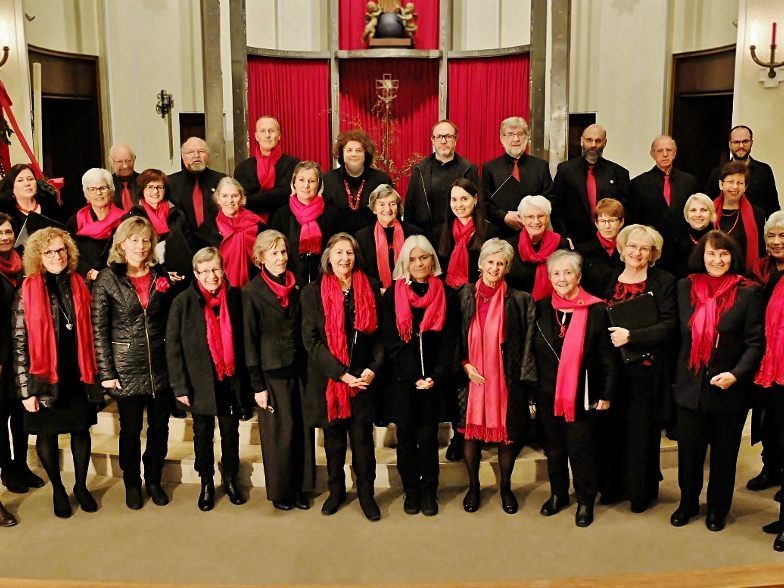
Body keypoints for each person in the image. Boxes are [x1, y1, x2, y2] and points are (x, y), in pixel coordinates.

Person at [670, 230, 763, 532]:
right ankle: (687, 504)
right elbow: (677, 337)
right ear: (702, 255)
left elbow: (755, 343)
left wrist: (736, 374)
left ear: (732, 256)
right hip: (690, 388)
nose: (717, 259)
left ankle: (718, 510)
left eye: (723, 254)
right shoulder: (685, 287)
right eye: (711, 253)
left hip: (729, 391)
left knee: (724, 457)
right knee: (689, 455)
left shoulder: (748, 292)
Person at [12, 227, 100, 518]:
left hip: (77, 373)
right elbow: (19, 343)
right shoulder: (27, 289)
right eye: (49, 251)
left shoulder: (78, 283)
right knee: (47, 435)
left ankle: (80, 486)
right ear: (38, 255)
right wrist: (26, 391)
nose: (56, 256)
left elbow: (92, 331)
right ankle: (59, 490)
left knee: (80, 431)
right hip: (44, 378)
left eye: (61, 250)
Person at [91, 217, 175, 510]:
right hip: (125, 368)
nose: (140, 246)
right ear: (121, 244)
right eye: (134, 240)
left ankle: (153, 478)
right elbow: (99, 330)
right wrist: (106, 372)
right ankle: (132, 481)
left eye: (145, 240)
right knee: (130, 431)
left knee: (159, 428)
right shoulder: (107, 279)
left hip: (159, 367)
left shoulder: (159, 274)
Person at [533, 249, 619, 527]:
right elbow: (532, 354)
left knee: (580, 449)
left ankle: (585, 500)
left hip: (583, 394)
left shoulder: (597, 309)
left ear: (578, 276)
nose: (561, 278)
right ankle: (558, 494)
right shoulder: (542, 307)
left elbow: (608, 357)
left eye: (567, 272)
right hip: (548, 393)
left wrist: (606, 393)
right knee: (554, 449)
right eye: (556, 273)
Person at [301, 233, 383, 521]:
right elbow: (311, 342)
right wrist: (341, 375)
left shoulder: (370, 286)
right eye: (339, 253)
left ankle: (366, 495)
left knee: (363, 444)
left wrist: (373, 367)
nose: (344, 258)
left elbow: (380, 336)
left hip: (363, 381)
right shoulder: (311, 292)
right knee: (334, 443)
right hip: (330, 382)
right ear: (328, 257)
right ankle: (336, 492)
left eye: (349, 252)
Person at [599, 224, 677, 512]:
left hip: (646, 369)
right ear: (622, 248)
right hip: (612, 371)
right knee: (611, 430)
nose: (637, 252)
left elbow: (670, 326)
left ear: (653, 253)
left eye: (644, 248)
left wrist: (631, 336)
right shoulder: (607, 279)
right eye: (632, 246)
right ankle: (611, 487)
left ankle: (639, 493)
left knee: (641, 433)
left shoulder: (664, 281)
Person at [457, 238, 537, 514]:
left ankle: (505, 487)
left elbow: (527, 343)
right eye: (490, 262)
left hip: (505, 378)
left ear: (507, 268)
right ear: (480, 264)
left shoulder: (520, 300)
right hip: (472, 377)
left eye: (500, 263)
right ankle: (473, 487)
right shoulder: (464, 295)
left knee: (507, 435)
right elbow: (453, 339)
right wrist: (465, 365)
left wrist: (524, 381)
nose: (494, 267)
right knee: (471, 435)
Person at [166, 247, 249, 510]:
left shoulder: (237, 298)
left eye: (215, 269)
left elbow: (247, 340)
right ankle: (206, 480)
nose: (211, 276)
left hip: (230, 379)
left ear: (223, 269)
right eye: (204, 271)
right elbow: (174, 347)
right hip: (198, 380)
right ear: (195, 273)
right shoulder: (183, 302)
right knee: (202, 434)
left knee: (230, 433)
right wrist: (179, 386)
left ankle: (230, 476)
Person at [243, 230, 315, 511]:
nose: (281, 258)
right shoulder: (251, 292)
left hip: (297, 369)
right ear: (261, 258)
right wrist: (257, 385)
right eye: (274, 253)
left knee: (300, 431)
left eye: (283, 252)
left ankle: (300, 487)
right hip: (271, 374)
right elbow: (249, 341)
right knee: (279, 436)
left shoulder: (296, 287)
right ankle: (281, 492)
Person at [381, 235, 453, 516]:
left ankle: (429, 492)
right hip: (403, 382)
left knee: (428, 440)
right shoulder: (393, 295)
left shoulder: (444, 292)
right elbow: (391, 341)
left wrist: (435, 374)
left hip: (433, 382)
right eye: (412, 258)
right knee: (407, 440)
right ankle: (411, 491)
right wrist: (413, 376)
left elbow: (449, 339)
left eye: (423, 257)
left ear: (432, 259)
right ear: (404, 263)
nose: (419, 263)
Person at [434, 178, 487, 462]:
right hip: (448, 309)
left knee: (475, 369)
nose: (459, 205)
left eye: (464, 199)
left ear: (475, 200)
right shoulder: (442, 233)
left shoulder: (488, 232)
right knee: (454, 371)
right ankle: (458, 431)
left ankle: (474, 431)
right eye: (454, 200)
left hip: (479, 309)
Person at [0, 214, 44, 498]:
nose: (5, 236)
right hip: (2, 356)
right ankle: (7, 468)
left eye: (7, 231)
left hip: (23, 352)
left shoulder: (22, 264)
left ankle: (21, 464)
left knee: (21, 415)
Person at [748, 212, 784, 550]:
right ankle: (772, 470)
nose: (776, 241)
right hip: (768, 365)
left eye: (782, 236)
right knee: (772, 429)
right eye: (771, 235)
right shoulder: (762, 270)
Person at [548, 124, 630, 243]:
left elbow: (625, 209)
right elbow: (557, 208)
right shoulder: (565, 170)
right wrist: (564, 237)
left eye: (598, 141)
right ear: (582, 141)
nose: (593, 145)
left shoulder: (619, 173)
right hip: (574, 241)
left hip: (609, 241)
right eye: (589, 140)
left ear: (605, 143)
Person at [630, 135, 698, 273]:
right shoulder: (638, 184)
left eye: (669, 150)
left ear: (675, 152)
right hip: (654, 252)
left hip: (684, 253)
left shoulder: (690, 181)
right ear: (652, 154)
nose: (665, 154)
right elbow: (635, 221)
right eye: (660, 151)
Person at [481, 117, 552, 238]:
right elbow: (484, 203)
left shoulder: (541, 166)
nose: (516, 139)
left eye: (520, 134)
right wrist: (504, 216)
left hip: (536, 232)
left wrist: (533, 216)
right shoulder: (490, 168)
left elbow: (551, 198)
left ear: (527, 137)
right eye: (510, 134)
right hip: (501, 234)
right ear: (501, 138)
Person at [404, 119, 480, 232]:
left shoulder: (469, 170)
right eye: (439, 137)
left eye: (448, 136)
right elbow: (410, 207)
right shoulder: (419, 169)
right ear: (432, 140)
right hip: (425, 236)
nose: (443, 141)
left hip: (459, 236)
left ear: (455, 140)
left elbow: (478, 208)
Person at [271, 161, 336, 286]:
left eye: (311, 181)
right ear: (294, 183)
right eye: (301, 180)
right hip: (289, 283)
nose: (306, 185)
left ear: (319, 184)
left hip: (325, 282)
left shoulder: (331, 214)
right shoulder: (281, 215)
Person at [322, 130, 393, 235]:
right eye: (349, 150)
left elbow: (389, 215)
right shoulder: (328, 180)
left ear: (366, 154)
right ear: (342, 153)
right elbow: (325, 220)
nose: (354, 154)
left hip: (372, 241)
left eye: (359, 150)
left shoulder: (381, 180)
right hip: (338, 241)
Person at [123, 169, 191, 277]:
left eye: (160, 187)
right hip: (147, 274)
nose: (155, 192)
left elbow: (188, 244)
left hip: (179, 274)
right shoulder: (132, 217)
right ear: (142, 189)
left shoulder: (177, 214)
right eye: (150, 187)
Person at [199, 177, 265, 289]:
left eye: (234, 196)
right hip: (219, 286)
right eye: (225, 196)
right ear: (218, 199)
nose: (230, 201)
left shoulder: (258, 225)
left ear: (242, 198)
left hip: (255, 287)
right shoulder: (207, 228)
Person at [234, 116, 300, 223]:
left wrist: (251, 200)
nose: (267, 135)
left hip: (284, 222)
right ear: (256, 136)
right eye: (263, 131)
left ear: (279, 136)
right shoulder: (242, 167)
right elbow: (242, 199)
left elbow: (284, 195)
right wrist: (272, 197)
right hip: (251, 224)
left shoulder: (293, 164)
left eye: (271, 131)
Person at [355, 184, 420, 291]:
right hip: (376, 293)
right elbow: (360, 272)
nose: (388, 209)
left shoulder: (414, 233)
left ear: (398, 207)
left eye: (392, 204)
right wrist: (378, 289)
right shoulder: (361, 237)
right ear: (374, 208)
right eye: (381, 204)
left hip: (410, 291)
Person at [706, 125, 779, 217]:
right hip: (724, 228)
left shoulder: (764, 171)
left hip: (756, 228)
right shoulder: (718, 172)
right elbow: (709, 205)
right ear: (730, 144)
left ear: (751, 143)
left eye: (745, 141)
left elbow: (773, 207)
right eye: (736, 142)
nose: (741, 146)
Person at [66, 168, 126, 282]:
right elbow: (70, 253)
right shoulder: (74, 222)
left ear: (111, 190)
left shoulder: (125, 220)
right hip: (84, 280)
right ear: (86, 194)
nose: (98, 193)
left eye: (102, 188)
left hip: (118, 280)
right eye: (92, 189)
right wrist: (89, 273)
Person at [506, 195, 570, 298]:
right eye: (530, 216)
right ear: (522, 219)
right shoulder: (509, 247)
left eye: (540, 216)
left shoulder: (561, 244)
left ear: (548, 218)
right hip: (519, 307)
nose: (536, 221)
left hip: (553, 306)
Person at [713, 161, 765, 271]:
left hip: (744, 279)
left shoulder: (757, 214)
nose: (735, 187)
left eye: (740, 183)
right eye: (731, 182)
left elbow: (761, 252)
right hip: (713, 275)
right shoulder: (708, 211)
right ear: (721, 184)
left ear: (745, 187)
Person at [168, 137, 226, 231]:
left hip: (216, 239)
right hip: (183, 240)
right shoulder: (170, 182)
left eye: (201, 151)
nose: (196, 155)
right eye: (190, 152)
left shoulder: (222, 180)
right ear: (183, 157)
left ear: (208, 155)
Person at [572, 198, 625, 297]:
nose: (607, 226)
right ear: (596, 223)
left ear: (621, 222)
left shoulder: (629, 249)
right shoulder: (581, 251)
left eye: (612, 220)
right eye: (602, 221)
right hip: (593, 305)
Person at [0, 164, 63, 235]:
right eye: (20, 180)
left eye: (30, 179)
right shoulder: (4, 211)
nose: (27, 183)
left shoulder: (50, 204)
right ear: (11, 186)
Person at [671, 193, 716, 279]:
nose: (698, 215)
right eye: (693, 210)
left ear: (711, 214)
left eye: (703, 210)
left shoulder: (720, 240)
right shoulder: (677, 240)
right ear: (686, 214)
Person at [109, 143, 140, 211]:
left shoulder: (145, 181)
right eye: (120, 161)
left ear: (134, 159)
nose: (125, 165)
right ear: (111, 162)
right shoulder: (107, 185)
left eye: (128, 161)